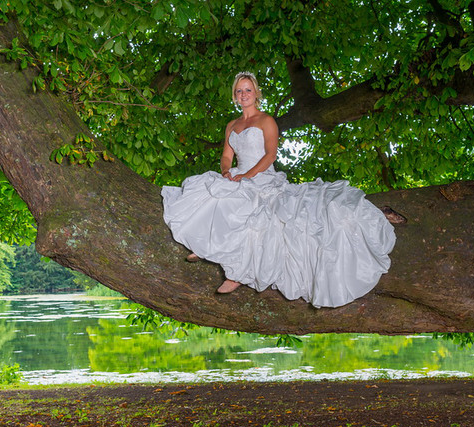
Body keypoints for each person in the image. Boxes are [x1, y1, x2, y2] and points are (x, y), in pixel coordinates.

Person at [161, 72, 396, 308]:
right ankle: (206, 246)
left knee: (258, 215)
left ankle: (238, 274)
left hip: (262, 176)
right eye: (239, 91)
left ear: (256, 94)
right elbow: (226, 155)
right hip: (238, 175)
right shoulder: (232, 125)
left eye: (248, 90)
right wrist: (226, 172)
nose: (244, 94)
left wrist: (248, 175)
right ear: (235, 95)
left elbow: (270, 155)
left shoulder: (266, 121)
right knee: (210, 190)